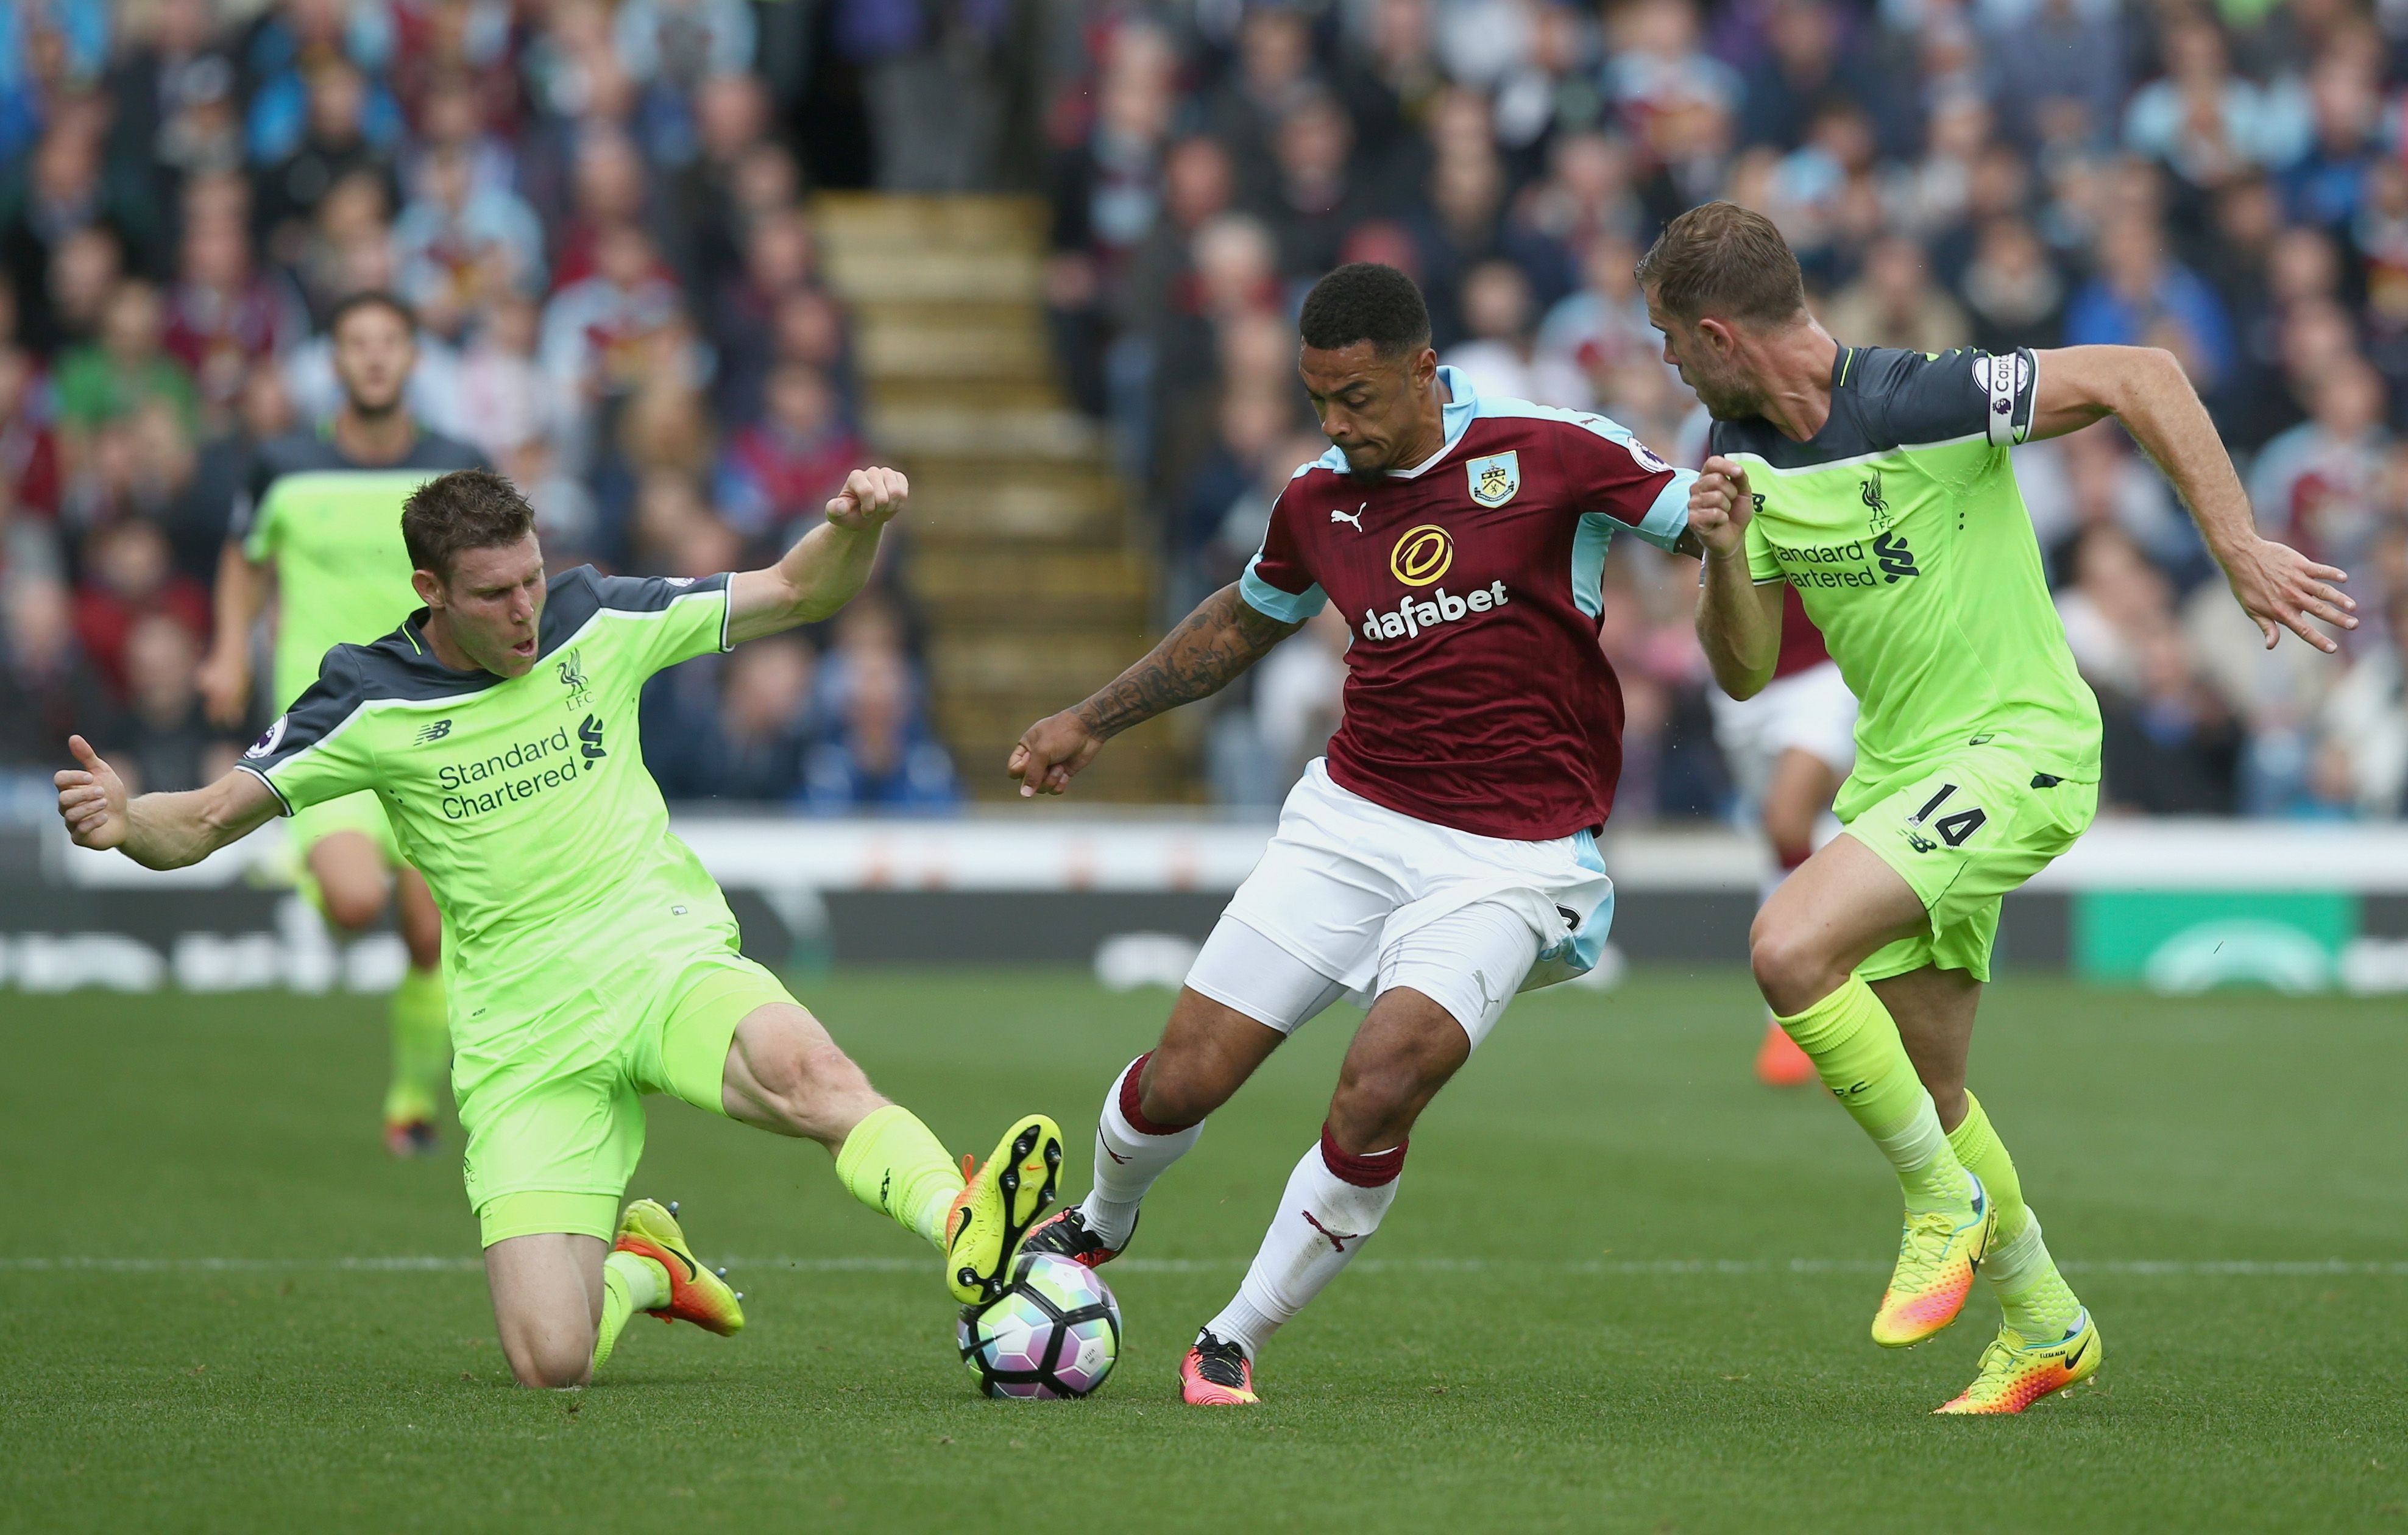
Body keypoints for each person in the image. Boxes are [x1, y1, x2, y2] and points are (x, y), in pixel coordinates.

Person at [55, 465, 1064, 1389]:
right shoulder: (365, 698)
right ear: (430, 591)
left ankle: (957, 1218)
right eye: (494, 594)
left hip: (657, 953)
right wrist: (123, 821)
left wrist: (857, 526)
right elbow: (201, 823)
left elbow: (799, 591)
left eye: (531, 578)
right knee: (553, 1363)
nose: (525, 609)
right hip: (522, 1034)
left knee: (811, 1074)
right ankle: (645, 1270)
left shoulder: (596, 615)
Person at [1654, 201, 2353, 1414]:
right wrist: (1719, 548)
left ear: (1716, 332)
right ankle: (2043, 1321)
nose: (1663, 361)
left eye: (1668, 339)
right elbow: (1744, 668)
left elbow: (2141, 373)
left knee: (1785, 945)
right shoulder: (1733, 449)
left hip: (2017, 747)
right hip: (1900, 776)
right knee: (1928, 1094)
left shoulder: (1915, 396)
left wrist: (2234, 544)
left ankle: (1941, 1205)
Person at [1007, 263, 1697, 1406]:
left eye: (1358, 399)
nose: (1335, 425)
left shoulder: (1554, 448)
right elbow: (1240, 621)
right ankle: (1102, 1216)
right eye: (1318, 399)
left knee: (1379, 1084)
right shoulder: (1316, 498)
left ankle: (1233, 1335)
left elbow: (1709, 526)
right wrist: (1092, 718)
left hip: (1512, 860)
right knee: (1180, 1083)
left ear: (1424, 371)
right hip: (1352, 824)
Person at [195, 291, 484, 1158]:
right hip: (326, 724)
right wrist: (228, 653)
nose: (372, 358)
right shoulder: (282, 463)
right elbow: (244, 562)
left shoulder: (459, 466)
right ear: (335, 361)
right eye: (356, 342)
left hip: (433, 722)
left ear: (412, 358)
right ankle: (310, 869)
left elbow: (495, 573)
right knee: (359, 904)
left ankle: (408, 1102)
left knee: (432, 933)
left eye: (388, 342)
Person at [1705, 584, 1855, 1087]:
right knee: (1789, 839)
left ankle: (1791, 1018)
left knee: (1786, 821)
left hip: (1822, 670)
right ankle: (1840, 999)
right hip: (1742, 685)